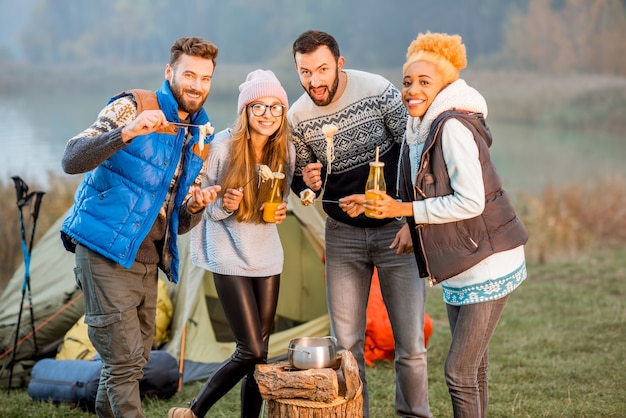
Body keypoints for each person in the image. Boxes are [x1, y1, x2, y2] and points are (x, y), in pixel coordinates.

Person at [348, 32, 529, 417]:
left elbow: (470, 201)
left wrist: (408, 212)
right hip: (460, 261)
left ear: (445, 85)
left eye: (424, 82)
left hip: (487, 260)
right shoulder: (422, 129)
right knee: (474, 368)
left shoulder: (452, 128)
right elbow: (429, 195)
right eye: (407, 81)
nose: (412, 89)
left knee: (458, 372)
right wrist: (409, 226)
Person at [59, 36, 221, 418]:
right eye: (189, 74)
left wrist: (194, 206)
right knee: (123, 364)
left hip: (149, 260)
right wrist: (126, 132)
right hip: (103, 250)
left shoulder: (201, 135)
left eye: (206, 78)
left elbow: (179, 222)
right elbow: (70, 158)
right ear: (170, 73)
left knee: (132, 361)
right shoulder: (131, 105)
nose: (197, 85)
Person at [288, 30, 431, 418]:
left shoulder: (378, 90)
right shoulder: (296, 117)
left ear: (339, 63)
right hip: (341, 236)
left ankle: (414, 414)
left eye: (321, 69)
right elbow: (299, 181)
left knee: (410, 343)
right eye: (305, 72)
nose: (314, 80)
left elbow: (414, 150)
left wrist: (407, 217)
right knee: (347, 345)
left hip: (393, 230)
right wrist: (308, 181)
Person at [167, 69, 294, 418]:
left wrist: (282, 208)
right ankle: (193, 412)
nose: (268, 115)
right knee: (251, 349)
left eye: (275, 108)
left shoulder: (284, 149)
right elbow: (197, 205)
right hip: (227, 254)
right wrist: (223, 205)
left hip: (267, 256)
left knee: (261, 355)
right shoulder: (221, 147)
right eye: (259, 107)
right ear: (245, 111)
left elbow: (286, 194)